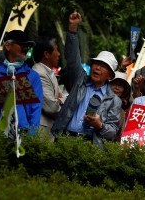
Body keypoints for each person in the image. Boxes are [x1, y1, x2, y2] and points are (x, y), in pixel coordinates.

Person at [51, 12, 122, 149]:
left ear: (110, 76)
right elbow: (72, 59)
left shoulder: (114, 100)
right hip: (65, 138)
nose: (97, 68)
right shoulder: (80, 81)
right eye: (96, 63)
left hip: (90, 145)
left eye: (103, 66)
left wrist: (99, 125)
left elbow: (112, 132)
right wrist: (72, 30)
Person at [0, 30, 43, 134]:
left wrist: (31, 137)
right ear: (8, 46)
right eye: (22, 45)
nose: (26, 48)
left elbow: (36, 109)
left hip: (20, 133)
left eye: (28, 46)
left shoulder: (33, 76)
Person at [32, 36, 66, 139]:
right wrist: (60, 100)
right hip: (41, 130)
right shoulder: (39, 73)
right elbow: (52, 108)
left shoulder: (49, 73)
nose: (59, 54)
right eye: (56, 50)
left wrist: (59, 99)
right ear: (46, 54)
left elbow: (63, 97)